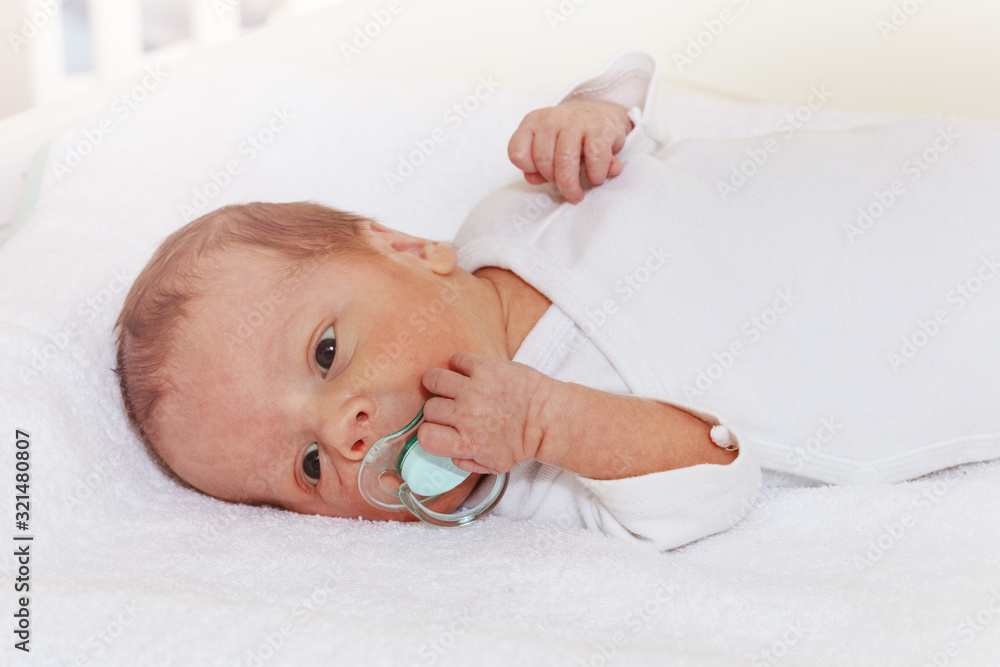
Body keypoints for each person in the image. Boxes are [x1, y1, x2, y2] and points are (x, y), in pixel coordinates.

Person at [114, 51, 1000, 551]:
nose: (344, 435)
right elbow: (714, 476)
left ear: (407, 250)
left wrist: (588, 113)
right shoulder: (536, 478)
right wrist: (548, 426)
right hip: (946, 346)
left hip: (915, 182)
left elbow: (640, 107)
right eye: (307, 469)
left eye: (324, 354)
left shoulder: (516, 208)